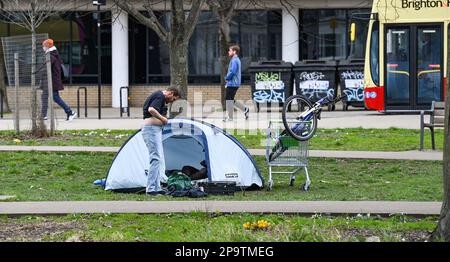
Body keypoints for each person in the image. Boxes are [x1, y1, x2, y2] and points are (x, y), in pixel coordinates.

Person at [142, 86, 180, 195]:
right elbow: (151, 109)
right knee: (155, 158)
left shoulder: (162, 101)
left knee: (159, 159)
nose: (172, 101)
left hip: (156, 130)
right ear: (171, 93)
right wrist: (163, 119)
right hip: (151, 130)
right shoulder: (159, 96)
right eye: (173, 99)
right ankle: (151, 189)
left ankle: (157, 187)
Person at [41, 39, 76, 121]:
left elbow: (46, 69)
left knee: (54, 97)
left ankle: (70, 112)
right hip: (52, 81)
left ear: (47, 46)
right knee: (49, 97)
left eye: (44, 46)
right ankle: (44, 115)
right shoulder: (54, 55)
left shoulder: (50, 56)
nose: (43, 48)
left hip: (51, 82)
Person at [223, 44, 249, 122]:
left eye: (230, 50)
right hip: (234, 83)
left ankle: (230, 118)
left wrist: (226, 78)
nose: (228, 52)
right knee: (230, 99)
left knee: (228, 99)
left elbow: (232, 71)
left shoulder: (234, 60)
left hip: (232, 83)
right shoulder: (236, 60)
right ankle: (245, 109)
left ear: (234, 52)